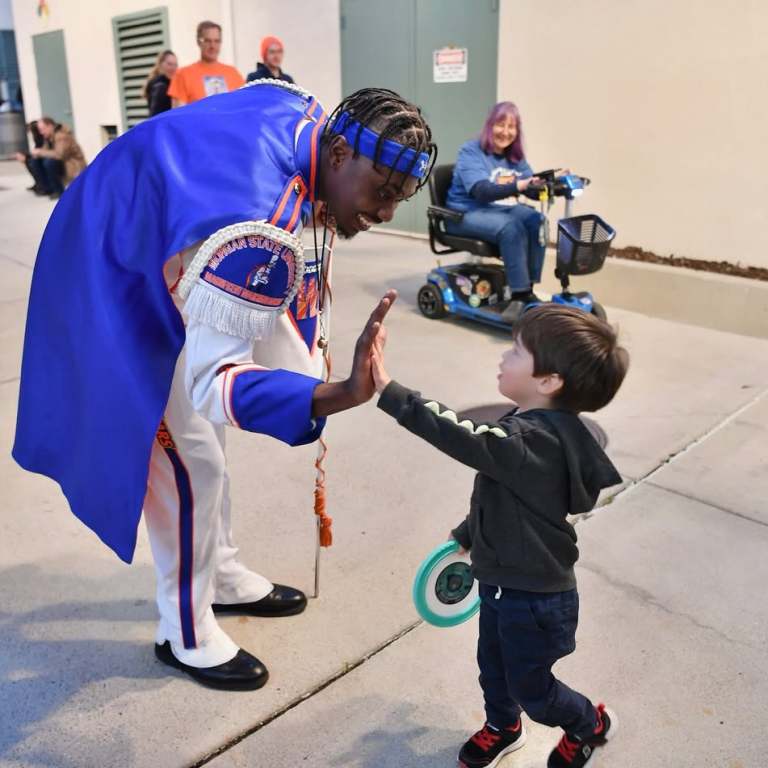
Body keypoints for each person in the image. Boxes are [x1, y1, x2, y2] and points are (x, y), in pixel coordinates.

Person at [14, 82, 435, 691]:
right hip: (110, 274)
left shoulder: (312, 120)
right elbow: (217, 384)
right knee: (191, 463)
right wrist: (340, 393)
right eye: (382, 191)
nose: (388, 212)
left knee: (204, 444)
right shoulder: (257, 220)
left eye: (399, 196)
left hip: (139, 227)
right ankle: (183, 631)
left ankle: (222, 574)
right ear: (340, 155)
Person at [370, 304, 629, 768]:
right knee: (493, 670)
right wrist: (469, 533)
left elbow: (464, 436)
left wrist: (390, 392)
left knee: (534, 691)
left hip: (534, 599)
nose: (503, 358)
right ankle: (503, 726)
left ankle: (588, 722)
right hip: (500, 584)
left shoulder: (531, 441)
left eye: (516, 352)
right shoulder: (533, 429)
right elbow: (510, 496)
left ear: (548, 381)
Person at [445, 101, 552, 305]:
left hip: (491, 210)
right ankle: (519, 296)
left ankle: (528, 287)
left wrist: (551, 183)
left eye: (511, 127)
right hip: (462, 213)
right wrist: (520, 185)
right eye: (500, 124)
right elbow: (482, 191)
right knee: (511, 227)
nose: (505, 132)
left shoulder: (514, 157)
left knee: (536, 220)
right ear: (490, 125)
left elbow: (530, 186)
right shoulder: (471, 151)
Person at [168, 21, 244, 106]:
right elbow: (179, 112)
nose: (212, 46)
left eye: (217, 41)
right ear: (198, 42)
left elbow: (244, 106)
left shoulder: (233, 73)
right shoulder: (182, 75)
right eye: (207, 41)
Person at [24, 117, 86, 199]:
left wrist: (40, 152)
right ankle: (47, 188)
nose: (41, 132)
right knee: (34, 161)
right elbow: (45, 151)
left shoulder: (61, 136)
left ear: (50, 126)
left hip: (73, 166)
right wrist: (37, 154)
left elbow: (59, 155)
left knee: (49, 162)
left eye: (42, 129)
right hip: (63, 164)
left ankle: (59, 191)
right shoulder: (50, 137)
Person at [13, 120, 49, 194]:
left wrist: (30, 155)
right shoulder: (36, 136)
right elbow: (37, 148)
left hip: (45, 155)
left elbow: (42, 149)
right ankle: (37, 182)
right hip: (41, 154)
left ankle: (42, 185)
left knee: (32, 161)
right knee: (26, 159)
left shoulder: (41, 135)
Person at [144, 49, 178, 116]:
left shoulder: (167, 83)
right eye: (169, 64)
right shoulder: (160, 87)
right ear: (160, 64)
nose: (173, 68)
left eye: (175, 65)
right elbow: (155, 115)